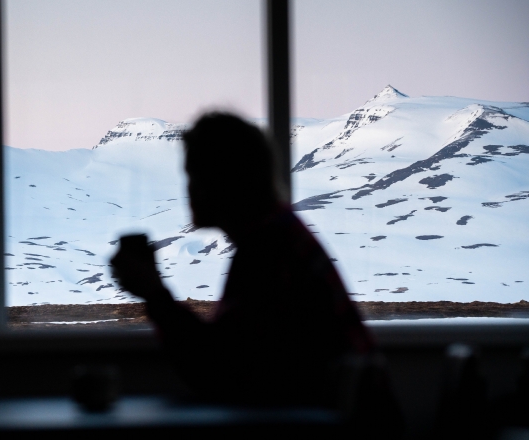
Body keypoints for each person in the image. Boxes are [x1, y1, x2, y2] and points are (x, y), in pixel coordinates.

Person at [111, 112, 374, 406]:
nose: (189, 190)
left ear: (223, 181)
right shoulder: (278, 236)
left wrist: (153, 292)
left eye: (195, 176)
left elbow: (219, 373)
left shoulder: (267, 249)